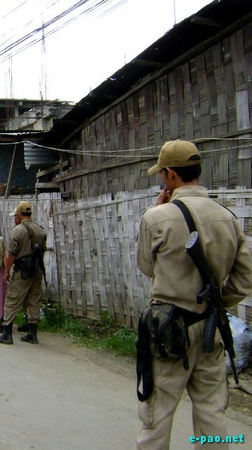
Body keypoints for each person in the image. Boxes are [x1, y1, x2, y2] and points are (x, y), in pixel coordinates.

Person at [135, 140, 252, 449]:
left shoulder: (156, 217)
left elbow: (146, 267)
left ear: (171, 174)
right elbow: (244, 278)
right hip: (212, 327)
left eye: (162, 173)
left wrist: (159, 209)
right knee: (212, 413)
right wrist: (218, 301)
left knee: (157, 416)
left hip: (169, 331)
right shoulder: (227, 217)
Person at [0, 201, 46, 345]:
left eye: (16, 215)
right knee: (34, 301)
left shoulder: (18, 231)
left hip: (22, 271)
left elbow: (12, 254)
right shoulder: (40, 230)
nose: (15, 217)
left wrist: (6, 271)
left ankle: (7, 333)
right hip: (37, 270)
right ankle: (32, 334)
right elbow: (42, 253)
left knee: (12, 300)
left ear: (20, 214)